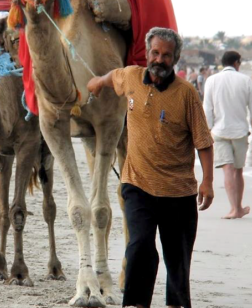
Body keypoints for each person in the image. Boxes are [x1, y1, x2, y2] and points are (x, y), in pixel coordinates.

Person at [88, 27, 214, 308]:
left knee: (177, 259)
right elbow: (113, 77)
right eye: (155, 53)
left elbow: (203, 141)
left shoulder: (187, 94)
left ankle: (176, 304)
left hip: (178, 192)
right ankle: (136, 303)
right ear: (147, 53)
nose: (159, 59)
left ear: (175, 59)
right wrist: (97, 82)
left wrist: (207, 182)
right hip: (138, 184)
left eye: (166, 55)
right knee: (140, 246)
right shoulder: (132, 76)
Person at [203, 51, 252, 219]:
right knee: (238, 171)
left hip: (219, 131)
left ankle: (233, 208)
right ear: (237, 63)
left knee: (227, 170)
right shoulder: (245, 80)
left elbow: (207, 108)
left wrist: (207, 130)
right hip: (240, 132)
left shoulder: (211, 80)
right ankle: (238, 208)